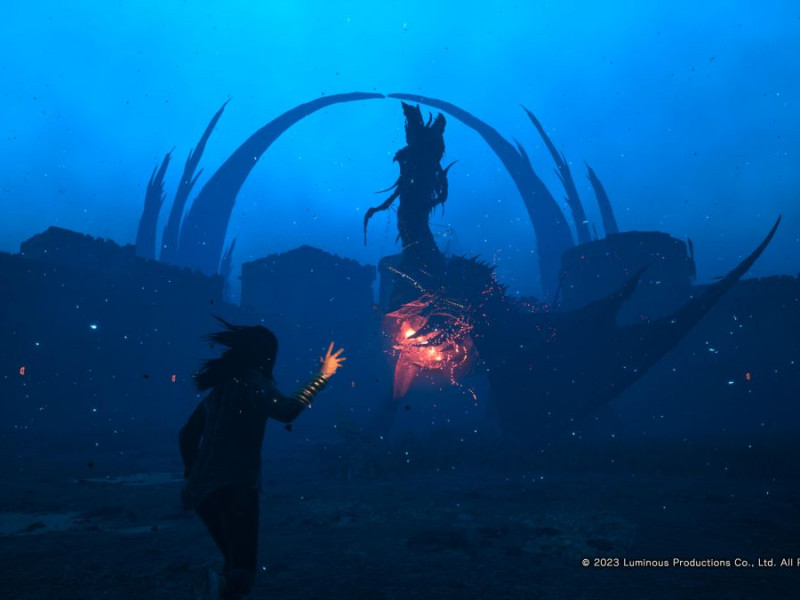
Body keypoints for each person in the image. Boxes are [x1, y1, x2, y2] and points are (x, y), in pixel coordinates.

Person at [179, 317, 345, 599]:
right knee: (242, 572)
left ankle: (215, 587)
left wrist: (193, 474)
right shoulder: (253, 383)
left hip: (203, 492)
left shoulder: (221, 389)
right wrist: (322, 376)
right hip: (235, 487)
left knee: (233, 564)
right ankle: (209, 587)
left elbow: (187, 435)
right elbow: (286, 411)